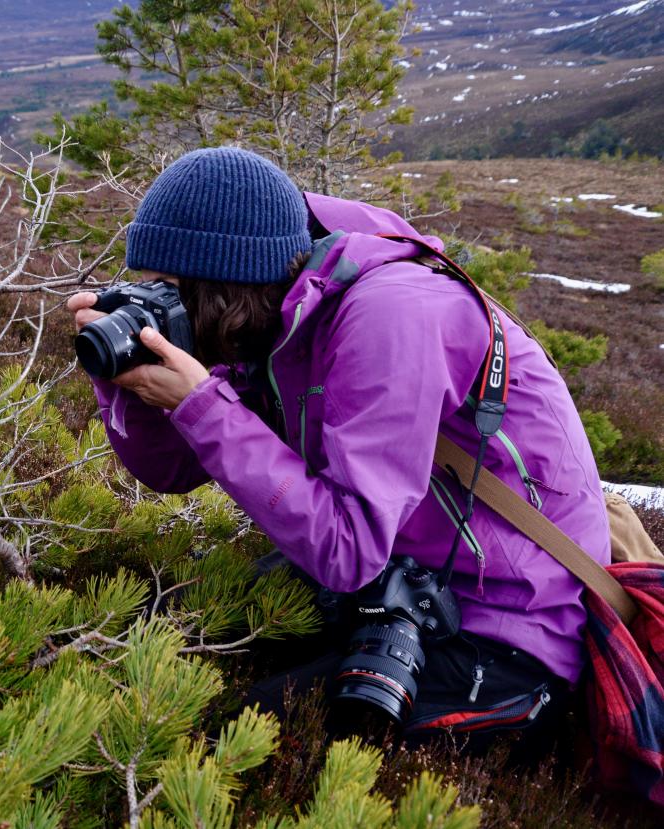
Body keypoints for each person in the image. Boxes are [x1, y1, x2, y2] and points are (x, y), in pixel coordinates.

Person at [67, 147, 611, 757]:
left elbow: (348, 548)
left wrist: (202, 405)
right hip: (401, 572)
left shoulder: (389, 315)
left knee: (229, 742)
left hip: (506, 624)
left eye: (173, 291)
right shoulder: (278, 299)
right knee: (171, 632)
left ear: (225, 283)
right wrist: (129, 377)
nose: (160, 304)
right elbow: (172, 469)